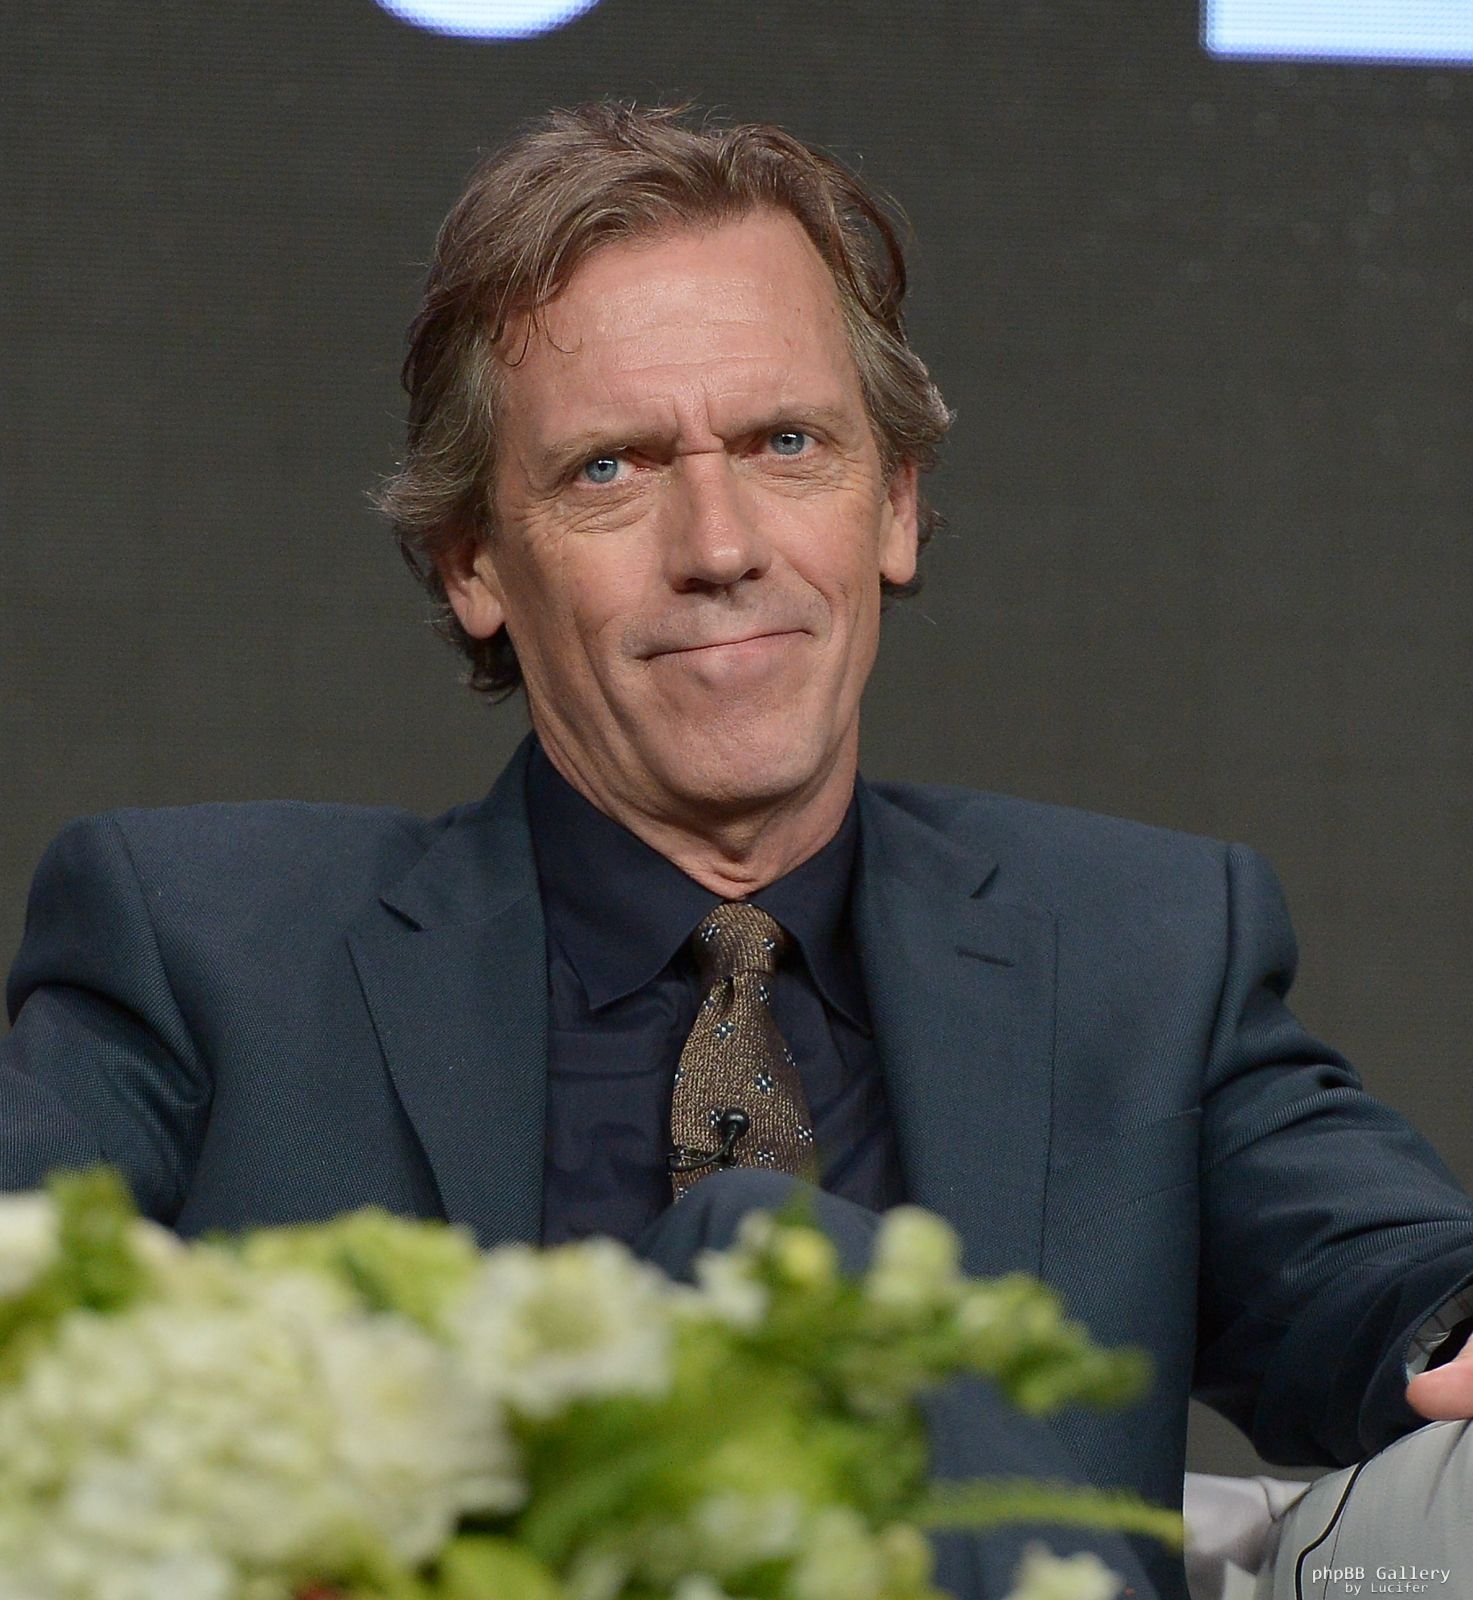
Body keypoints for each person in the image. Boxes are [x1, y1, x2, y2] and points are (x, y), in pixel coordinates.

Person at [4, 103, 1473, 1599]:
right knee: (756, 1261)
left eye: (786, 444)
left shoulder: (1139, 950)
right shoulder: (206, 947)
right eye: (609, 470)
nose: (718, 547)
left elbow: (1386, 1277)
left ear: (894, 506)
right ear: (473, 564)